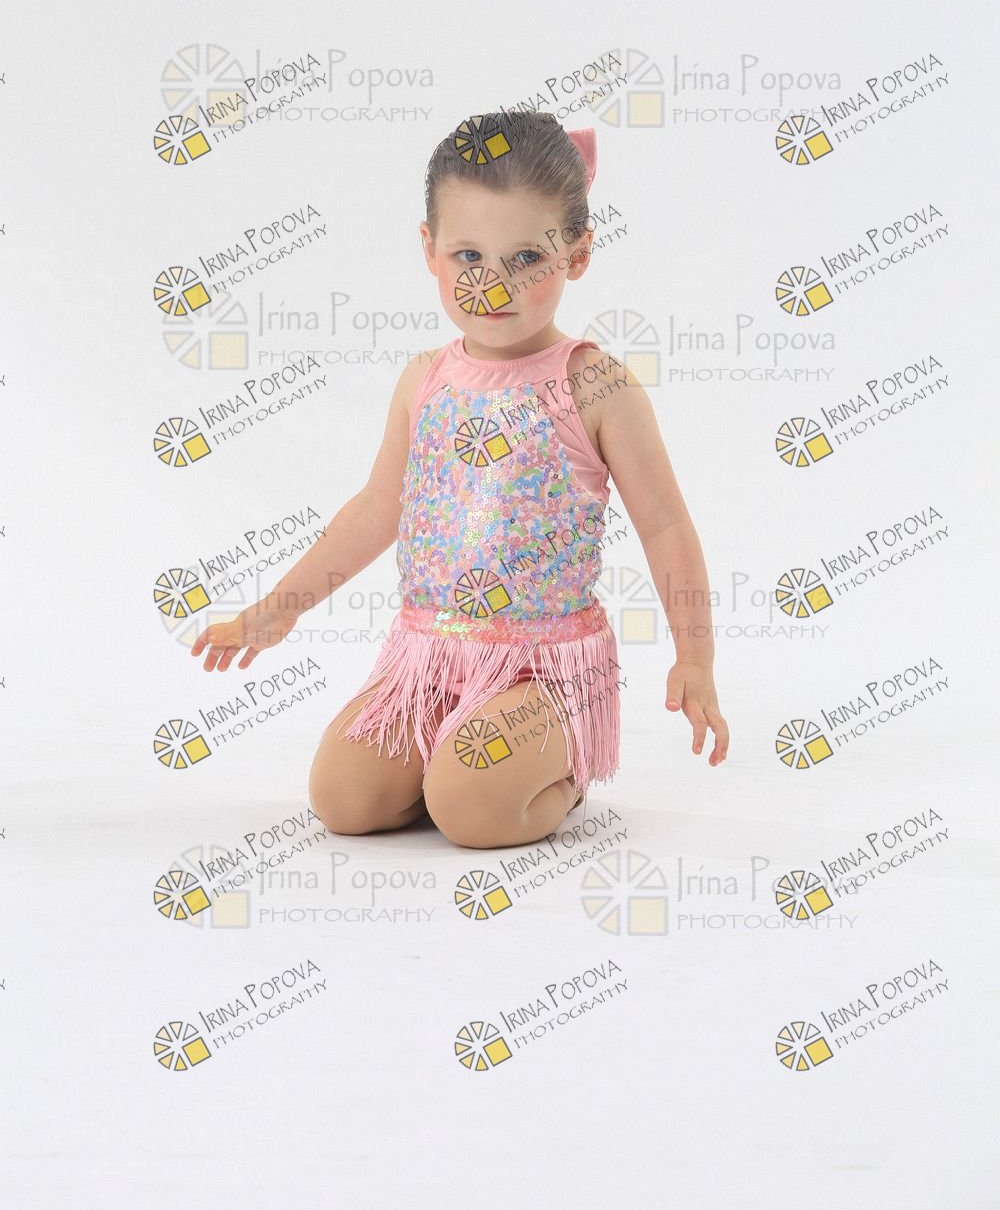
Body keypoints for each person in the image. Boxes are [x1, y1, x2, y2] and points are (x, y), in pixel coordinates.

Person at [190, 109, 730, 849]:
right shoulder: (425, 378)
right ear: (430, 251)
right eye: (468, 254)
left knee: (472, 810)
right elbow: (378, 508)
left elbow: (665, 526)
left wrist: (694, 657)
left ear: (577, 254)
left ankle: (555, 768)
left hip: (543, 667)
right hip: (429, 656)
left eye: (526, 258)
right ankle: (453, 756)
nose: (492, 283)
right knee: (344, 801)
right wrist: (278, 609)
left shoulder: (594, 385)